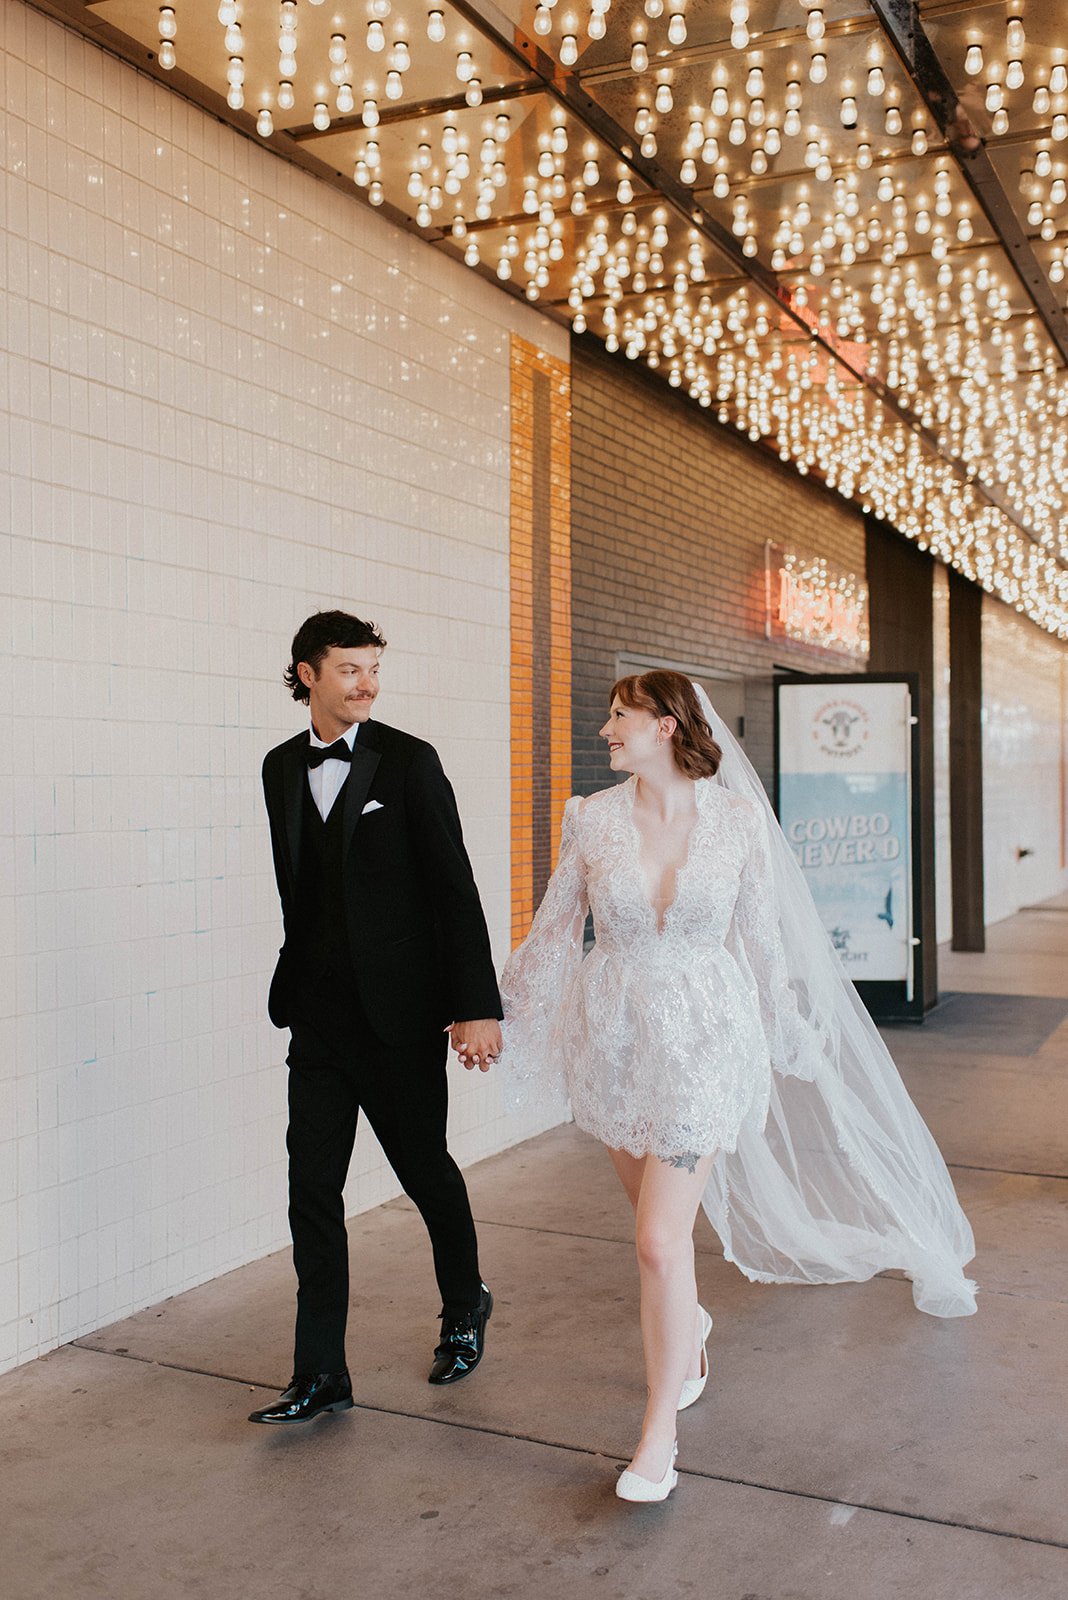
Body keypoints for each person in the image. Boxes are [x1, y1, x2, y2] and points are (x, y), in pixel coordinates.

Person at [498, 670, 976, 1502]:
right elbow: (554, 928)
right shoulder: (591, 818)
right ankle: (692, 1325)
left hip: (706, 1045)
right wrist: (500, 1014)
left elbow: (761, 945)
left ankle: (659, 1438)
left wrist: (786, 1030)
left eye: (619, 717)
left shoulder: (740, 822)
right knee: (659, 1230)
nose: (605, 730)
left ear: (666, 725)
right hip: (611, 1041)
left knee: (656, 1242)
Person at [250, 611, 502, 1426]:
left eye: (373, 670)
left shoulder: (410, 761)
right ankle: (321, 1371)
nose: (367, 683)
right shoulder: (280, 767)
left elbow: (454, 891)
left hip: (398, 1018)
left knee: (425, 1172)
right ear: (306, 675)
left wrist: (474, 1008)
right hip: (318, 1021)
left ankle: (464, 1308)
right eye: (350, 669)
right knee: (310, 1193)